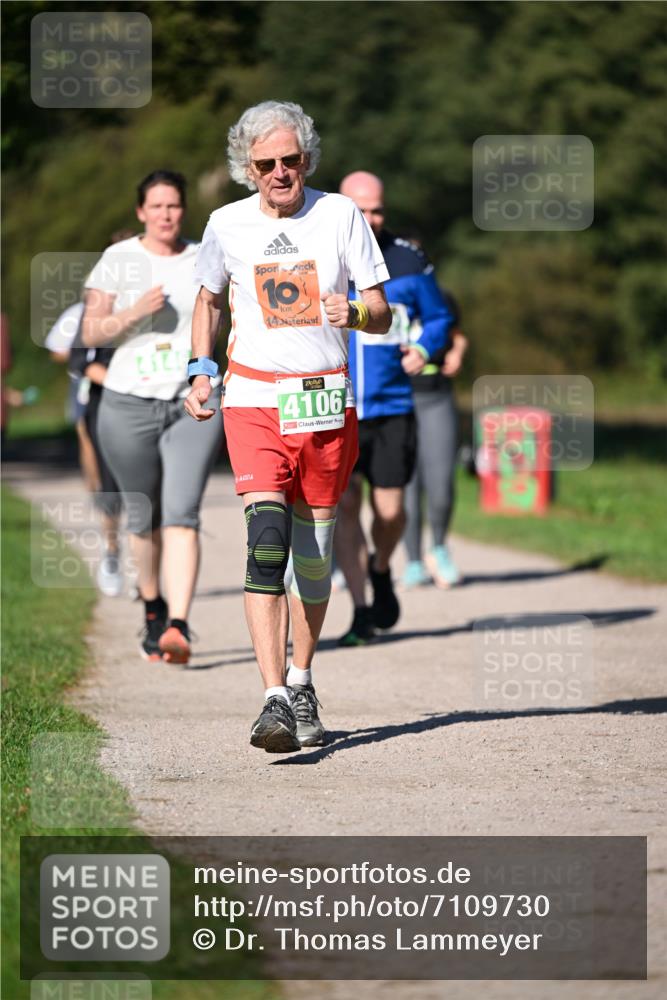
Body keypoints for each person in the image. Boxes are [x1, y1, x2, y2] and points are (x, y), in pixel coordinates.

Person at [185, 101, 391, 753]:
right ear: (247, 168)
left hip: (324, 403)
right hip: (253, 400)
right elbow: (207, 300)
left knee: (314, 558)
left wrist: (355, 312)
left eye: (291, 160)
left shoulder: (341, 214)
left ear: (307, 159)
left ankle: (302, 679)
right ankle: (273, 696)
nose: (280, 173)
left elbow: (382, 312)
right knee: (267, 544)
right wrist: (199, 371)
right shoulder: (225, 224)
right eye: (266, 164)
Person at [82, 170, 223, 663]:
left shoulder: (204, 256)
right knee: (143, 517)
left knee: (182, 512)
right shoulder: (118, 259)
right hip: (126, 403)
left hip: (192, 401)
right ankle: (152, 606)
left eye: (174, 205)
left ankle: (178, 625)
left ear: (184, 210)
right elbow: (89, 331)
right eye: (157, 206)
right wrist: (135, 312)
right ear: (141, 211)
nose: (166, 214)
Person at [335, 171, 454, 645]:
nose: (370, 219)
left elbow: (439, 317)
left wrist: (424, 349)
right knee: (345, 508)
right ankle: (361, 608)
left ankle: (382, 566)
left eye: (377, 209)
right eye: (360, 210)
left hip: (391, 406)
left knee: (391, 512)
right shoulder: (319, 252)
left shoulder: (407, 258)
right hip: (336, 405)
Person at [402, 295, 468, 588]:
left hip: (437, 396)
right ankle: (413, 562)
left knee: (441, 483)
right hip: (398, 400)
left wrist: (457, 352)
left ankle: (439, 549)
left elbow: (457, 335)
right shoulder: (378, 294)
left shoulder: (440, 299)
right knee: (408, 486)